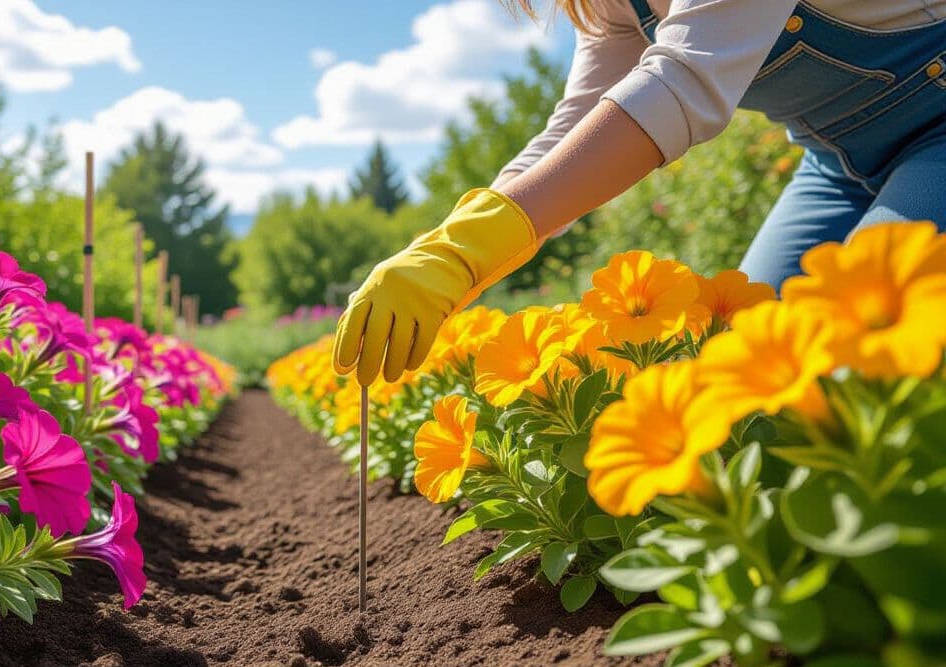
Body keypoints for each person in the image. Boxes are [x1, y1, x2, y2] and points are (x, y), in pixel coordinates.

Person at [333, 0, 946, 386]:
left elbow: (680, 84)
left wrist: (472, 247)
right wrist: (450, 249)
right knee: (742, 364)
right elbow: (572, 129)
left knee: (855, 367)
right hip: (838, 163)